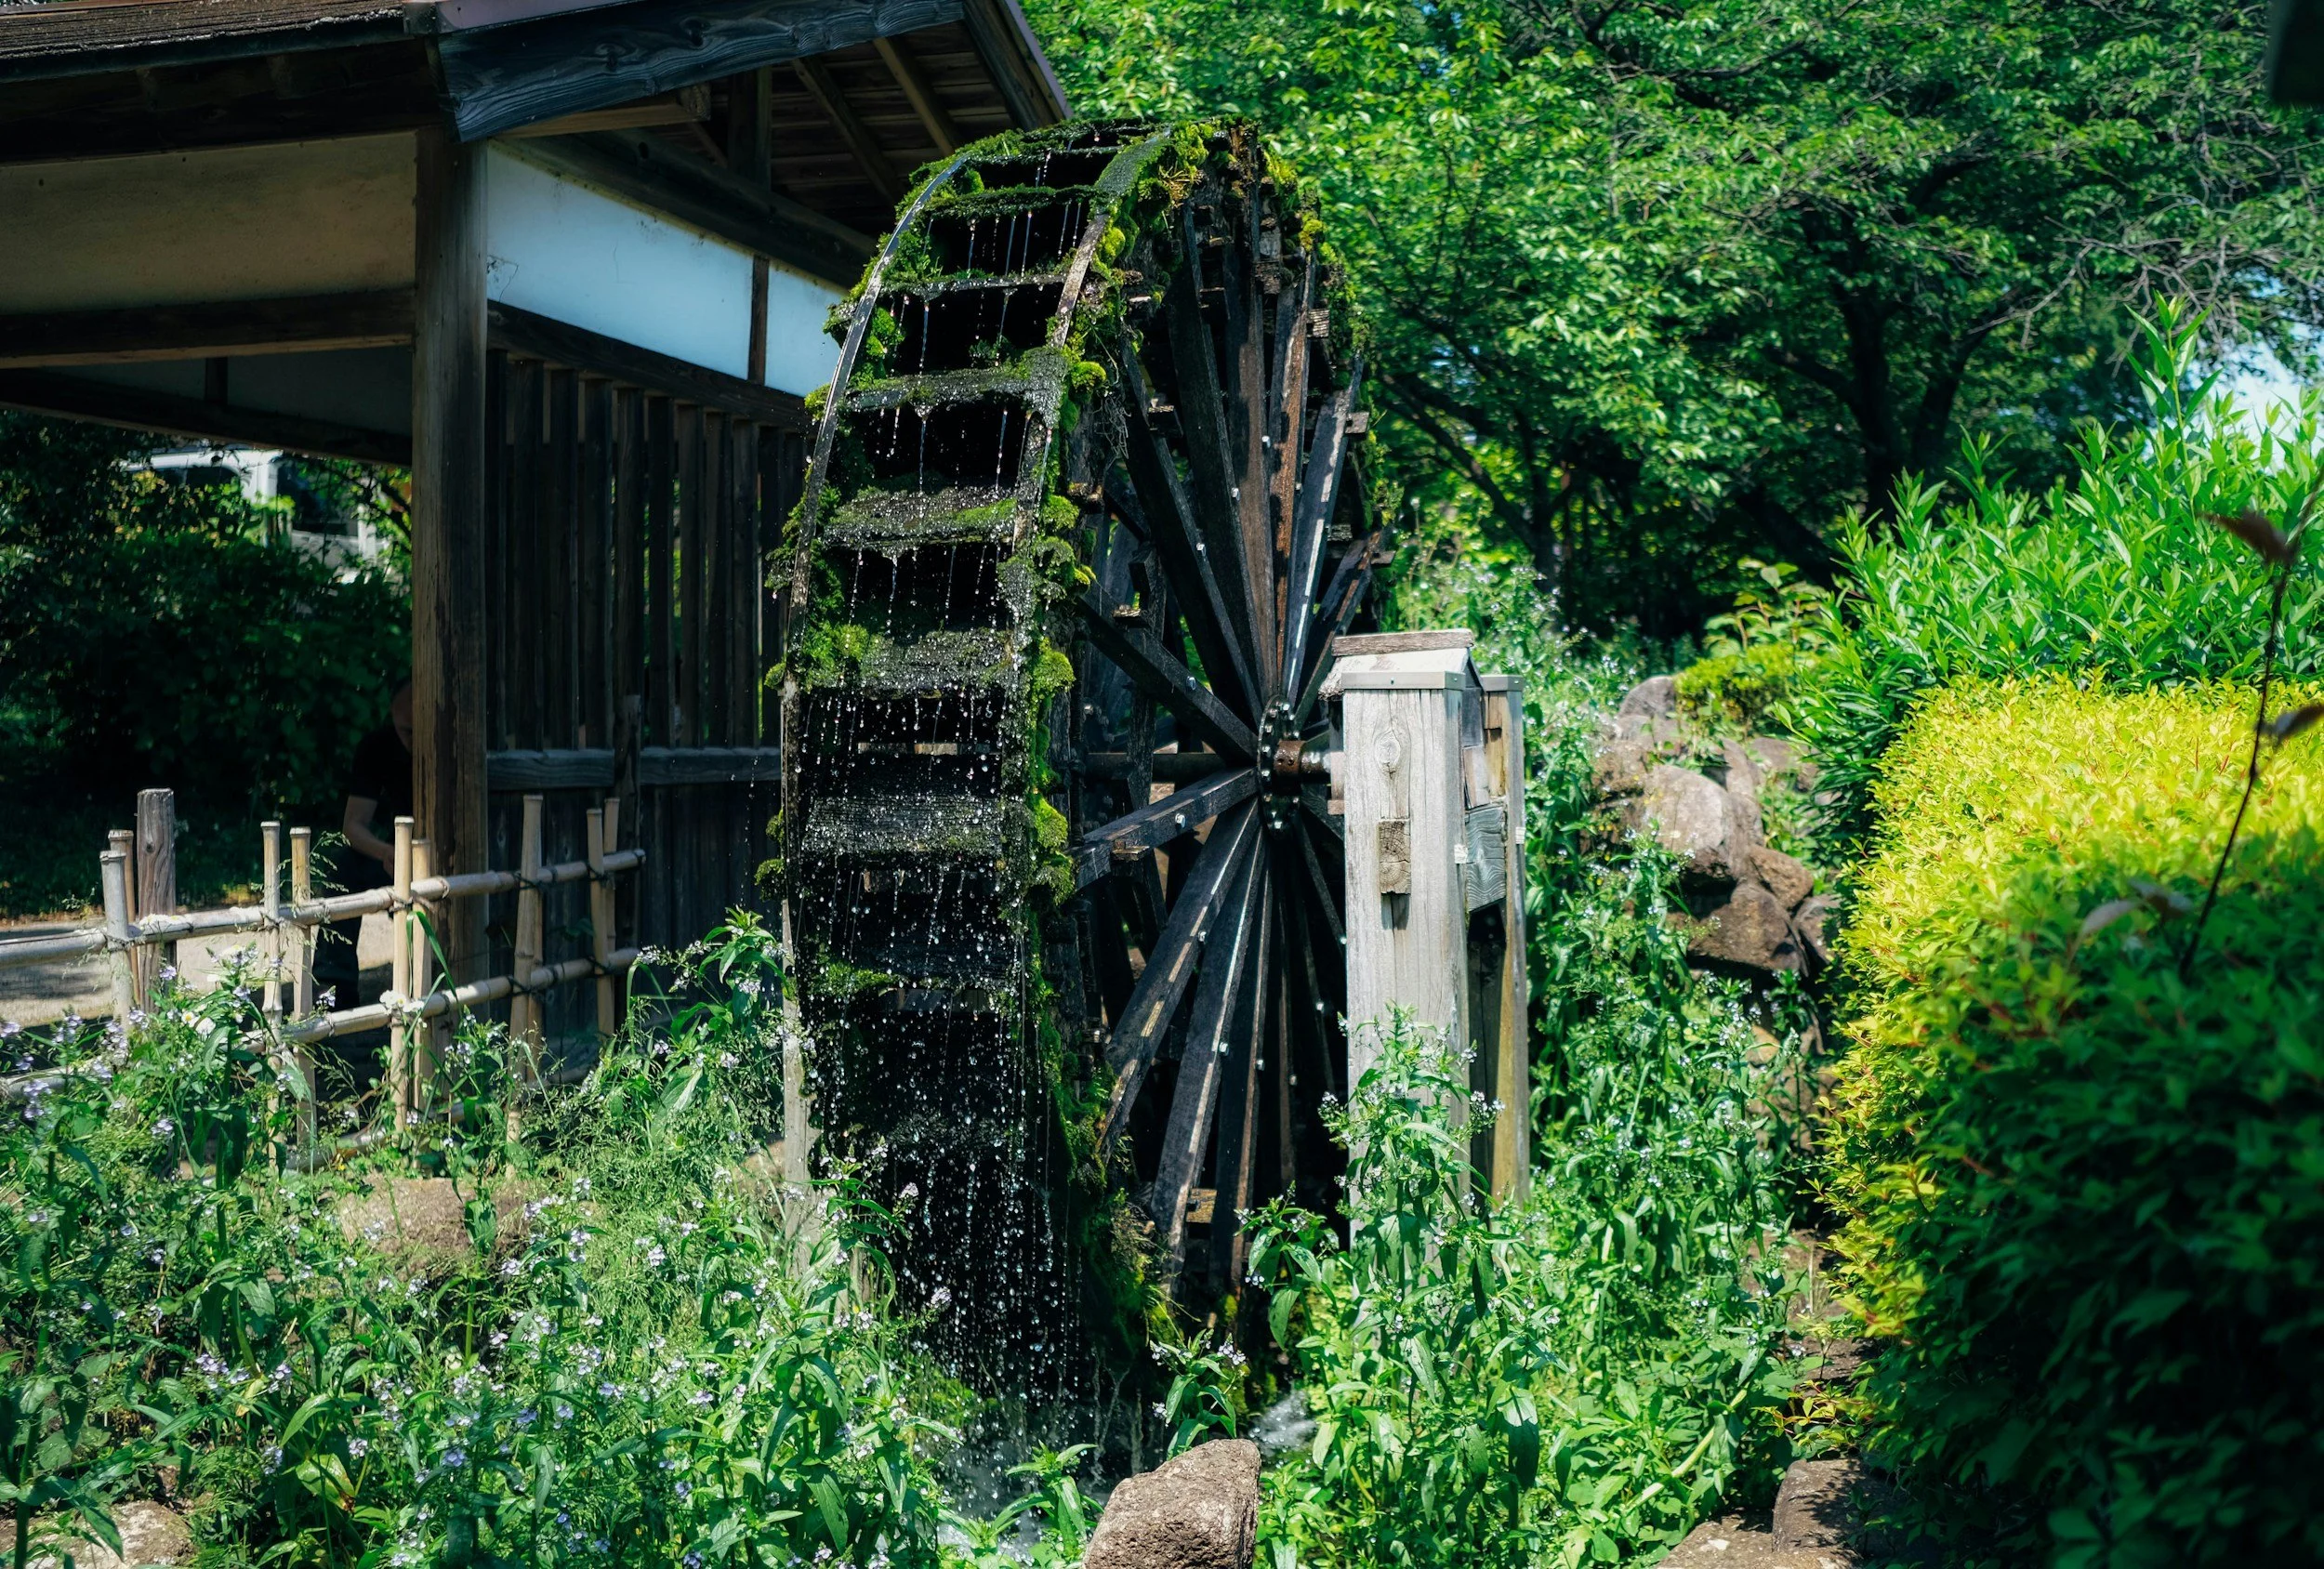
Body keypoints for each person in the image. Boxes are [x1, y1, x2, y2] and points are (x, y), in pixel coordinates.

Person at [311, 681, 412, 1033]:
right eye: (406, 730)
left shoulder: (455, 743)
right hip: (395, 855)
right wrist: (386, 851)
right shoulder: (377, 748)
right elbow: (353, 826)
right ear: (392, 716)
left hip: (451, 860)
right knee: (339, 864)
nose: (413, 740)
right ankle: (334, 993)